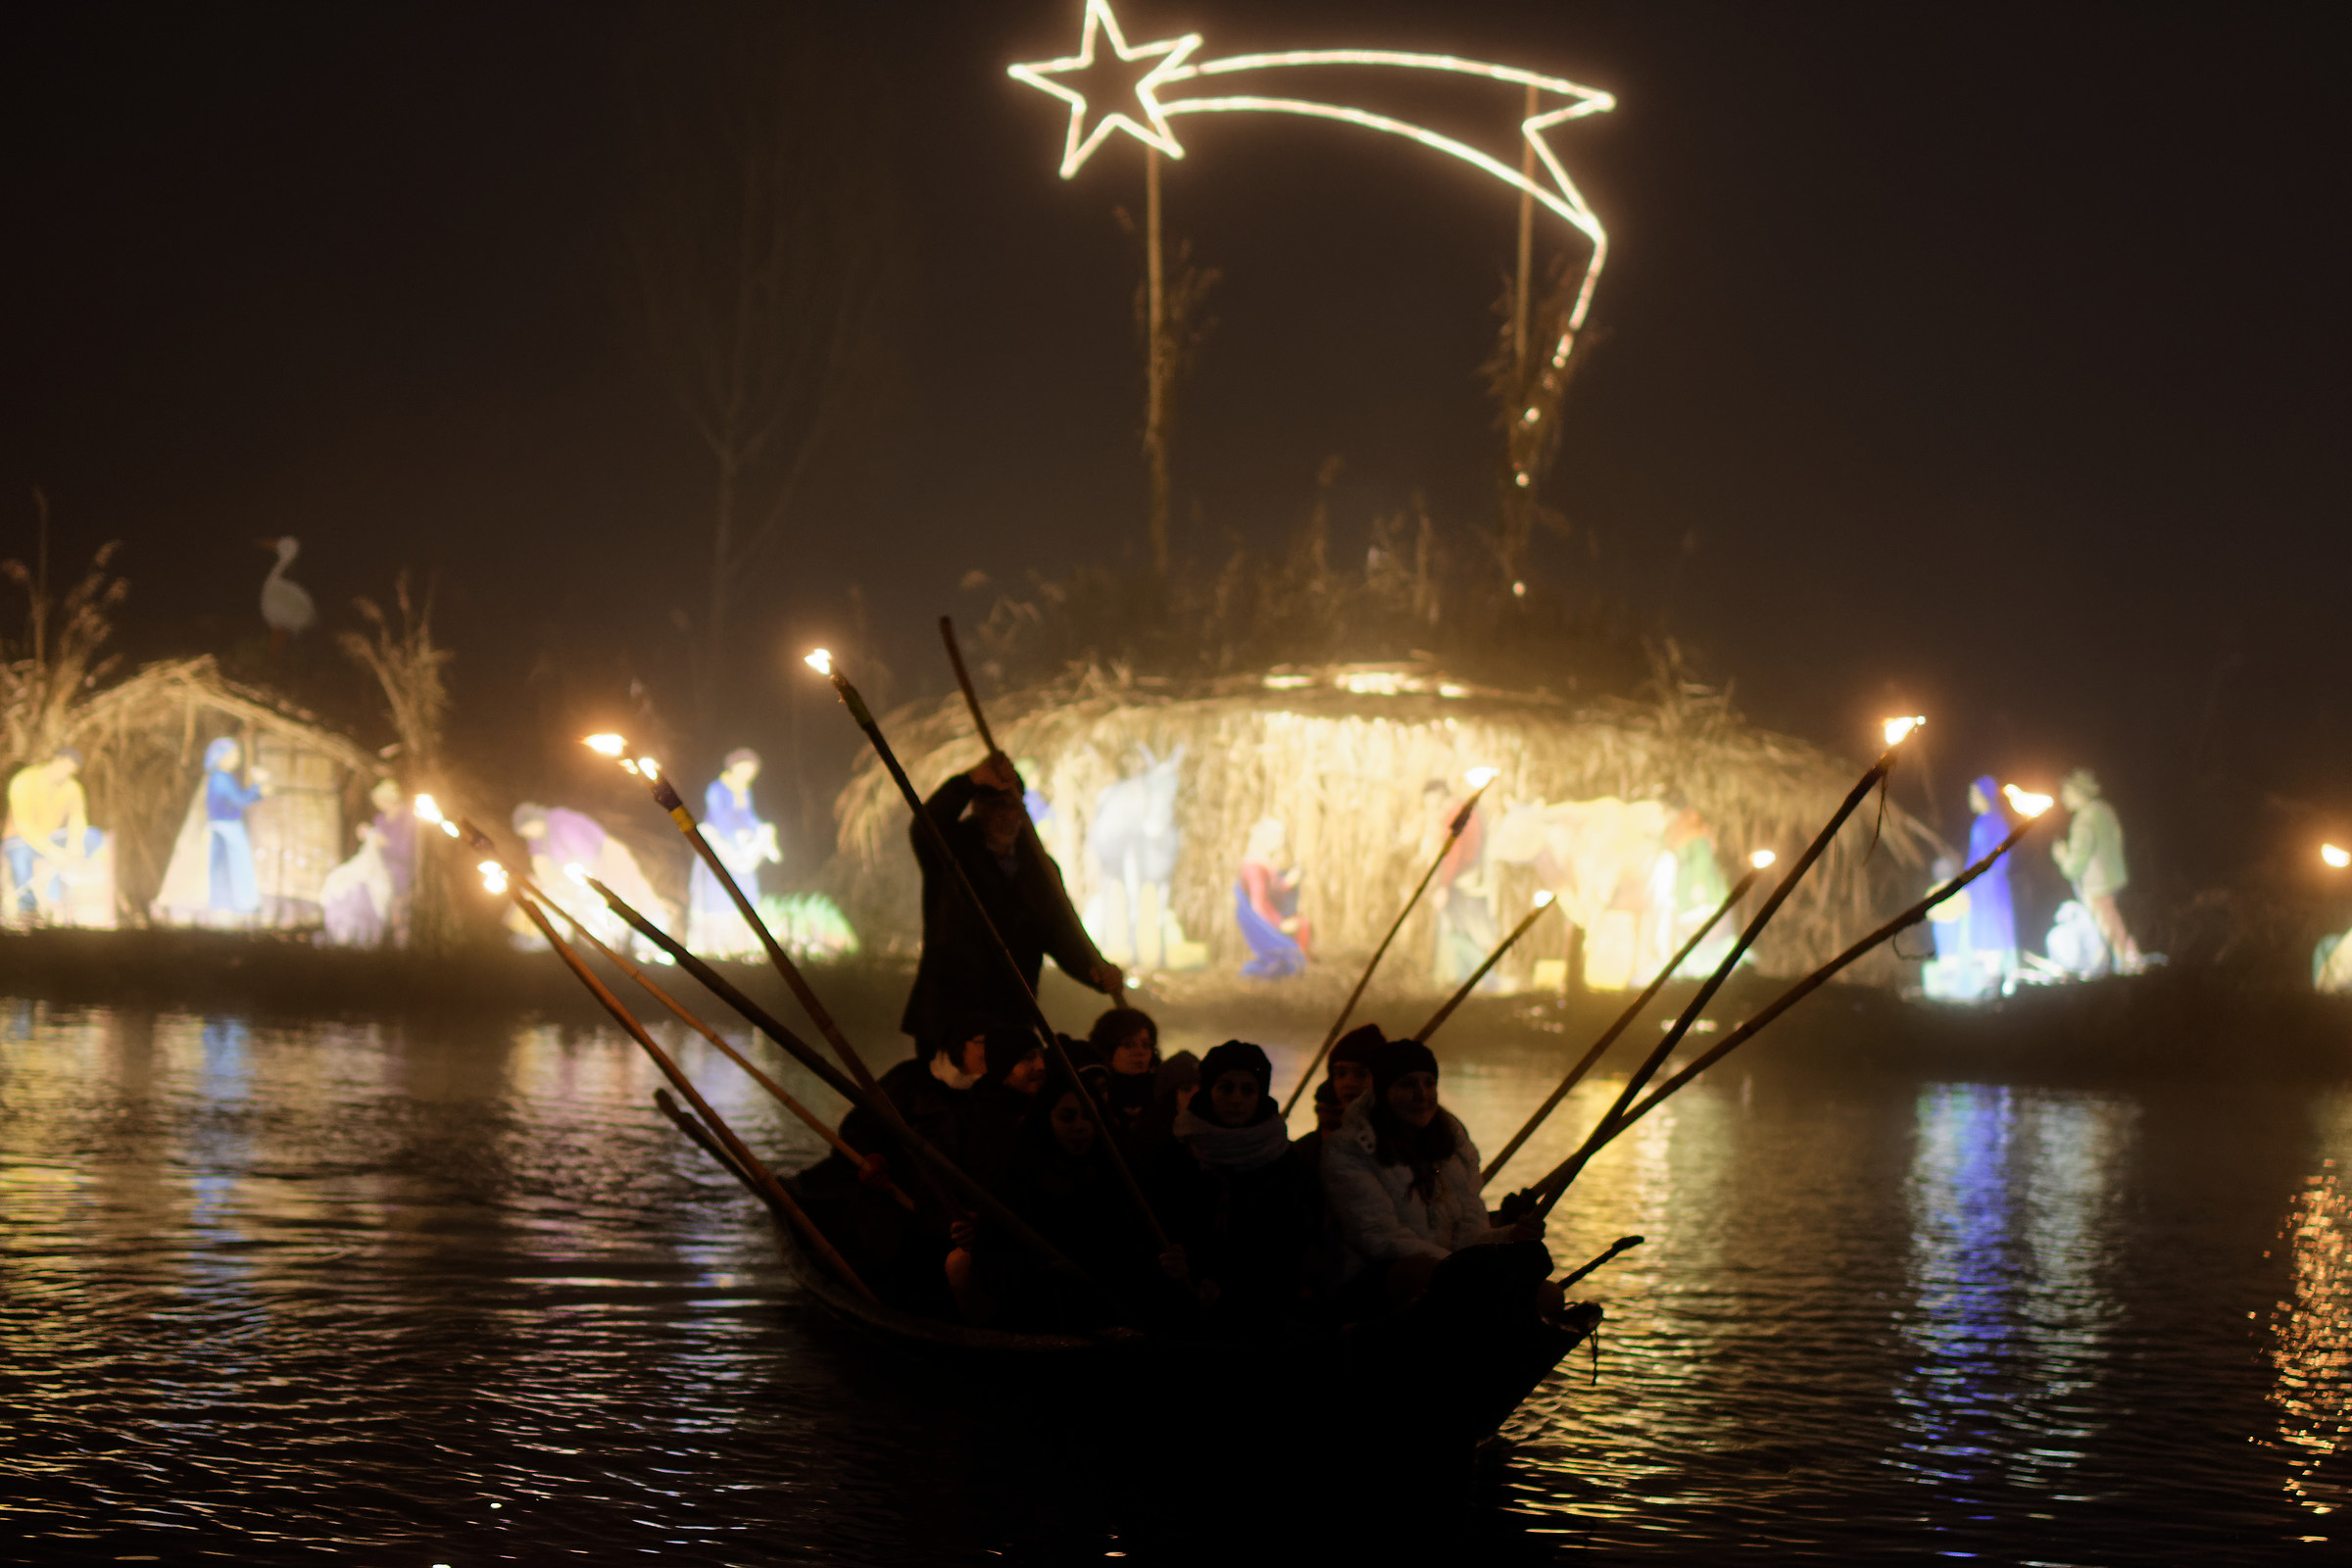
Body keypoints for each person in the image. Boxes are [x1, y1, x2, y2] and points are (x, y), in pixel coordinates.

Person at [902, 752, 1122, 1064]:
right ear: (977, 808)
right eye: (996, 806)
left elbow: (1060, 933)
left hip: (1011, 1011)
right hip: (950, 1014)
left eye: (1013, 806)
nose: (1006, 816)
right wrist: (970, 781)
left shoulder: (1041, 868)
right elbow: (925, 825)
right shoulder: (951, 850)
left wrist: (1095, 971)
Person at [947, 1066, 1195, 1329]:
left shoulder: (1122, 1175)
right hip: (1040, 1323)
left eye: (1089, 1117)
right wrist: (1043, 1274)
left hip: (1117, 1322)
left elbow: (1145, 1251)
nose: (1080, 1127)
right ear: (1047, 1119)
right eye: (1068, 1117)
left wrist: (1172, 1265)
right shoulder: (1018, 1177)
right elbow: (992, 1262)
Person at [1321, 1036, 1546, 1318]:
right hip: (1373, 1283)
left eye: (1429, 1083)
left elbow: (1470, 1234)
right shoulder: (1349, 1149)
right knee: (1426, 1275)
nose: (1422, 1094)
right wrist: (1462, 1268)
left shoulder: (1454, 1149)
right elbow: (1379, 1239)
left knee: (1546, 1296)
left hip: (1454, 1275)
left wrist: (1510, 1236)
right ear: (1382, 1092)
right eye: (1407, 1084)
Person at [1152, 1040, 1317, 1331]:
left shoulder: (1283, 1161)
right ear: (1209, 1091)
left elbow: (1290, 1245)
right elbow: (1161, 1224)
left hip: (1262, 1309)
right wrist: (1176, 1263)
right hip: (1183, 1300)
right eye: (1226, 1088)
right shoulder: (1177, 1153)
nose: (1236, 1099)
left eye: (1248, 1090)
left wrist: (1231, 1294)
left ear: (1260, 1094)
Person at [687, 749, 781, 959]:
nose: (749, 773)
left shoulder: (745, 791)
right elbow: (719, 816)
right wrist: (735, 835)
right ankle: (713, 946)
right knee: (719, 892)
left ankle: (742, 946)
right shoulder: (717, 789)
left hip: (741, 849)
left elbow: (749, 817)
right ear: (735, 767)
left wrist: (757, 830)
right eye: (745, 768)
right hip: (721, 845)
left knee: (744, 891)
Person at [2052, 769, 2140, 973]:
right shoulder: (2105, 810)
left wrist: (2062, 856)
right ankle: (2121, 962)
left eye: (2066, 791)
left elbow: (2075, 865)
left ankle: (2128, 963)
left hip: (2097, 883)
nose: (2063, 797)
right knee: (2111, 921)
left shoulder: (2084, 819)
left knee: (2107, 926)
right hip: (2113, 877)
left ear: (2077, 792)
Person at [4, 748, 101, 919]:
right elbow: (24, 825)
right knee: (20, 855)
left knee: (93, 836)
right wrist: (53, 852)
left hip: (51, 838)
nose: (66, 775)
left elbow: (77, 817)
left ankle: (55, 896)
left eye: (71, 772)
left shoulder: (72, 788)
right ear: (56, 760)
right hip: (20, 840)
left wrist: (75, 841)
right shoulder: (24, 781)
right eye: (65, 768)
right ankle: (27, 908)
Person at [1235, 817, 1310, 979]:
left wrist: (1288, 882)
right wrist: (1280, 924)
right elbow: (1259, 905)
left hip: (1268, 913)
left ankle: (1300, 963)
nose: (1280, 844)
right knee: (1291, 955)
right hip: (1260, 922)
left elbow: (1272, 889)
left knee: (1302, 925)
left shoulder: (1262, 864)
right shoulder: (1255, 868)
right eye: (1278, 839)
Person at [202, 737, 269, 919]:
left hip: (224, 827)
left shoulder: (220, 778)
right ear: (222, 757)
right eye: (234, 754)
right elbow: (240, 800)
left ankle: (227, 904)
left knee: (224, 866)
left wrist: (258, 791)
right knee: (237, 865)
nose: (237, 757)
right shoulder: (221, 779)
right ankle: (243, 904)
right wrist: (258, 786)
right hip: (228, 828)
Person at [1963, 776, 2018, 993]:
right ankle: (1987, 977)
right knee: (1982, 926)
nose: (1970, 799)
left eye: (1974, 794)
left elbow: (1999, 857)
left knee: (1993, 926)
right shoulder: (1981, 823)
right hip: (1979, 885)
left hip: (1990, 886)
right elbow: (1974, 855)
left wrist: (1984, 874)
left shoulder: (1994, 822)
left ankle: (1996, 977)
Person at [1089, 1004, 1160, 1132]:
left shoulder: (1163, 1094)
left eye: (1146, 1045)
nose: (1140, 1051)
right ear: (1107, 1049)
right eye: (1129, 1045)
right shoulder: (1092, 1096)